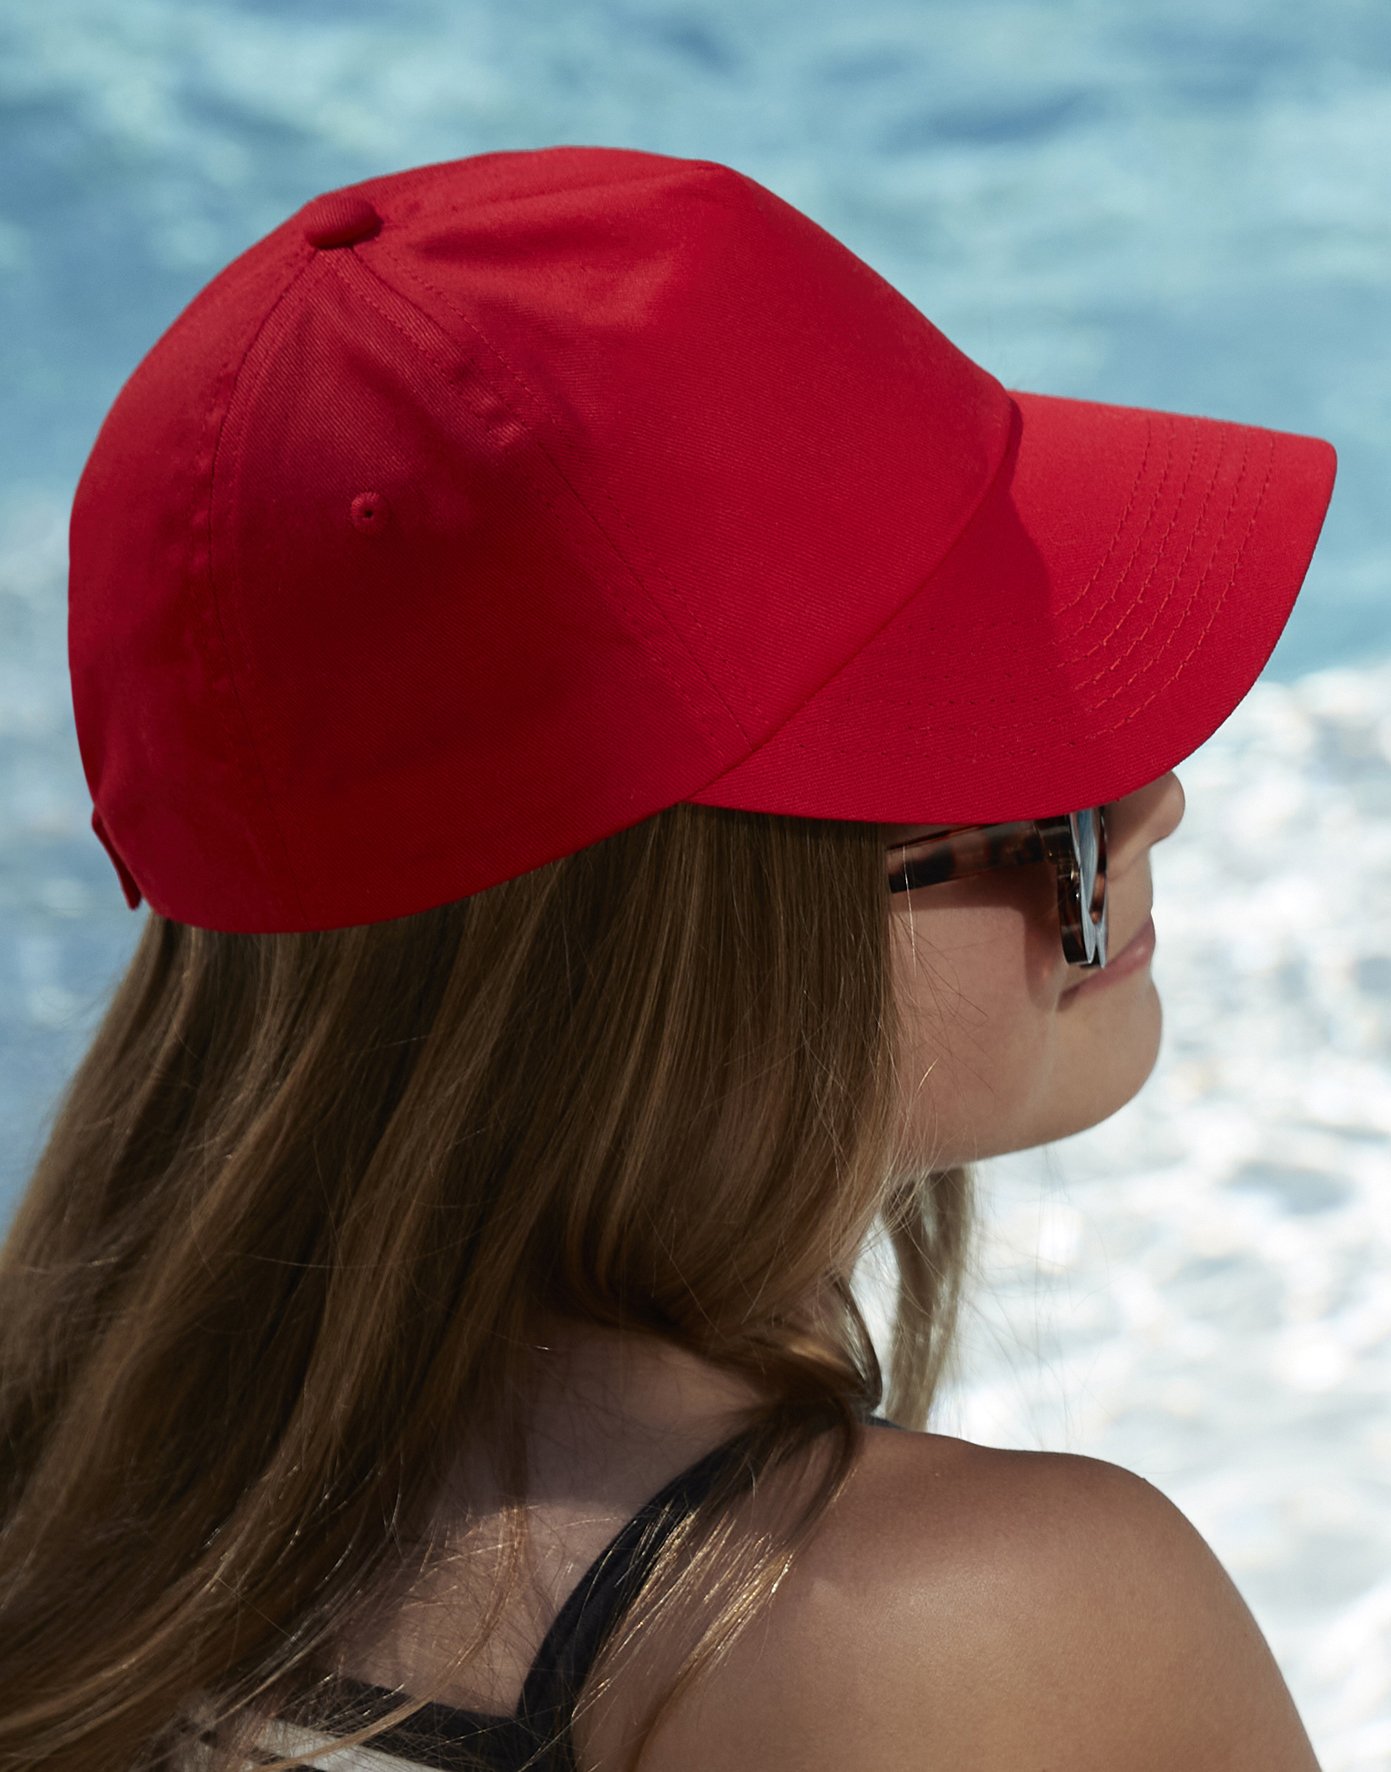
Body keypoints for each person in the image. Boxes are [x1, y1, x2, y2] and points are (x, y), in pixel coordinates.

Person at [0, 146, 1334, 1772]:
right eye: (1019, 763)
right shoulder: (969, 1635)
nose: (1156, 799)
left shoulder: (66, 1544)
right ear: (695, 951)